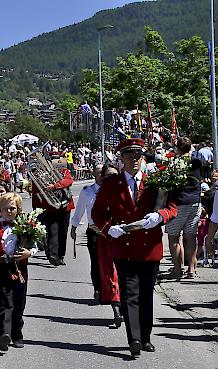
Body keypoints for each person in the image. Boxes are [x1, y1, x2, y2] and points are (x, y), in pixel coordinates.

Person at [92, 138, 177, 357]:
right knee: (130, 294)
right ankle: (134, 339)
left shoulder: (154, 181)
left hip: (150, 248)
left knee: (146, 295)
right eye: (129, 157)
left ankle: (146, 337)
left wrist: (160, 216)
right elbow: (98, 213)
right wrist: (109, 228)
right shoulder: (112, 184)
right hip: (124, 248)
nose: (135, 160)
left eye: (138, 156)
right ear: (121, 159)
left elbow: (172, 207)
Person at [0, 192, 36, 351]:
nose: (9, 212)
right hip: (0, 267)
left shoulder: (26, 226)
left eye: (12, 208)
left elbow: (35, 246)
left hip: (19, 270)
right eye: (5, 209)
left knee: (18, 303)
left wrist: (28, 253)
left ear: (18, 209)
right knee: (3, 302)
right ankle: (4, 334)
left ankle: (17, 334)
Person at [70, 164, 121, 327]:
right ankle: (103, 293)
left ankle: (118, 299)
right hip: (97, 232)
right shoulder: (88, 192)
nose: (104, 177)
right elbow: (79, 211)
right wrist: (74, 226)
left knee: (118, 269)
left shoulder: (122, 191)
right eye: (102, 174)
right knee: (99, 265)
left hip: (119, 235)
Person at [164, 137, 202, 279]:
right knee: (191, 237)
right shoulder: (197, 162)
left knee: (174, 238)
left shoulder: (175, 162)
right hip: (195, 202)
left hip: (179, 202)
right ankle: (191, 269)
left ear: (178, 148)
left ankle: (178, 269)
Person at [32, 156, 74, 266]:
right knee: (52, 231)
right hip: (50, 207)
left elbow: (69, 181)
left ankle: (60, 255)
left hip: (65, 206)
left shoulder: (64, 171)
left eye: (57, 159)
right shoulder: (42, 174)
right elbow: (37, 189)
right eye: (52, 159)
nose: (55, 161)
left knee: (63, 232)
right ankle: (53, 255)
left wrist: (55, 186)